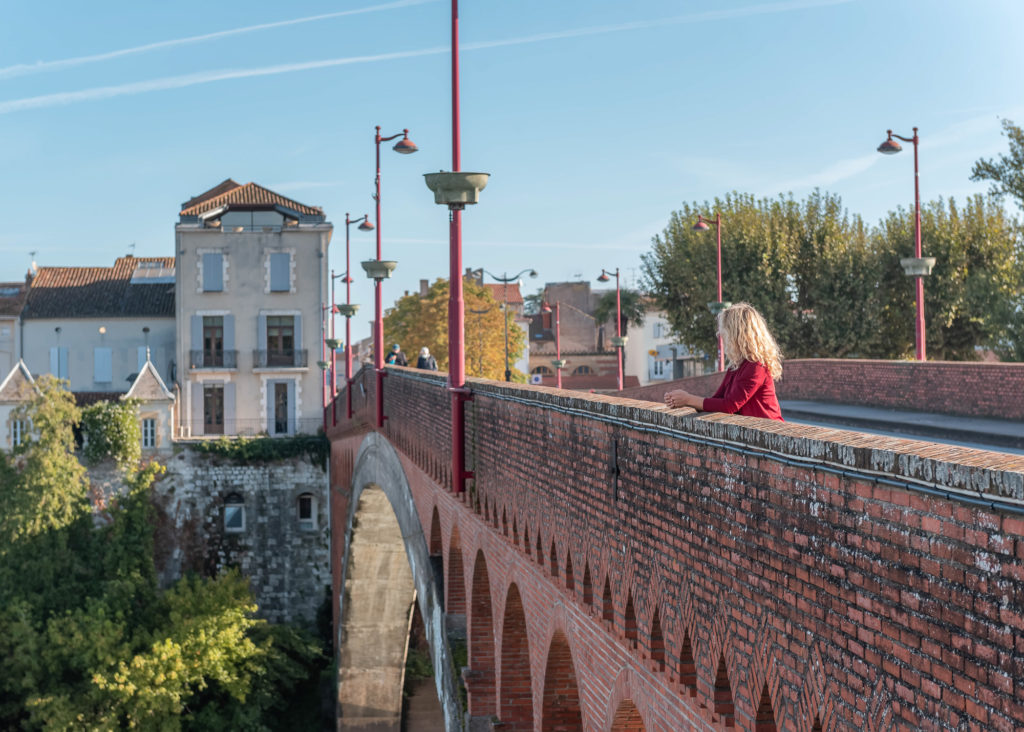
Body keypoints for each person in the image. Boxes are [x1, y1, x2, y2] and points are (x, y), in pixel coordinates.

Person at [665, 302, 783, 421]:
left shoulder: (757, 366)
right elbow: (717, 400)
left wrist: (688, 399)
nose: (719, 334)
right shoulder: (737, 365)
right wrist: (681, 400)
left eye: (724, 330)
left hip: (770, 433)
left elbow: (730, 405)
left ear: (737, 334)